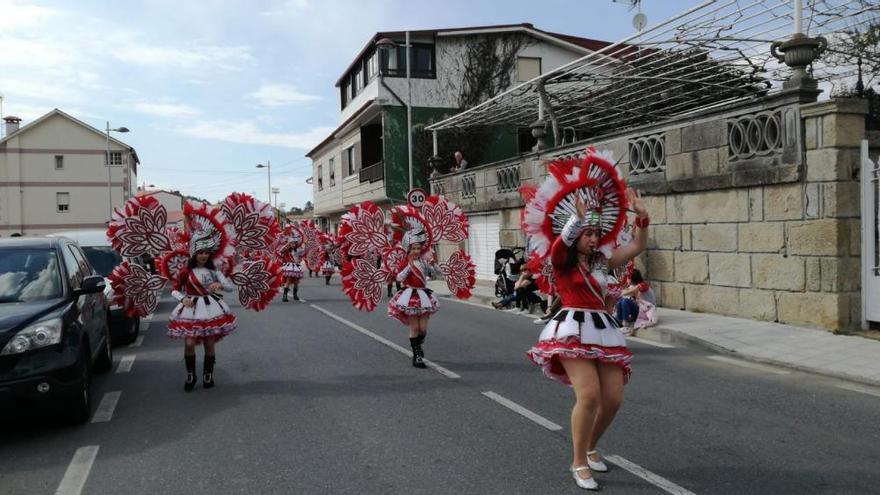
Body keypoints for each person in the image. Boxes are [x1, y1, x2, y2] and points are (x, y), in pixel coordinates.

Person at [527, 186, 649, 491]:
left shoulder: (600, 262)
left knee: (613, 399)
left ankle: (591, 446)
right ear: (575, 233)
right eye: (587, 233)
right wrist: (576, 219)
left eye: (596, 233)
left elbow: (636, 246)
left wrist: (643, 218)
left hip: (603, 329)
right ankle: (578, 461)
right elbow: (560, 244)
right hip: (572, 329)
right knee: (590, 395)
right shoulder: (561, 260)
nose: (593, 238)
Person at [168, 238, 237, 392]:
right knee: (190, 343)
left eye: (206, 252)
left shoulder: (214, 271)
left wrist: (219, 285)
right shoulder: (186, 272)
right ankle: (191, 375)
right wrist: (182, 298)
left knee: (209, 343)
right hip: (190, 309)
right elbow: (174, 289)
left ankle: (208, 374)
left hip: (210, 308)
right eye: (200, 253)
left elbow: (229, 288)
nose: (203, 256)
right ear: (194, 254)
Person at [388, 230, 440, 368]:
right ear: (409, 249)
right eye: (413, 248)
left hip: (423, 296)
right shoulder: (405, 262)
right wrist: (408, 267)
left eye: (418, 248)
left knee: (423, 329)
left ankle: (419, 343)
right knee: (414, 327)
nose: (416, 251)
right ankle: (417, 356)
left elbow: (438, 273)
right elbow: (399, 278)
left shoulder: (424, 261)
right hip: (410, 296)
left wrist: (434, 264)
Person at [621, 268, 657, 333]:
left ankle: (625, 325)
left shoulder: (643, 285)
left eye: (628, 277)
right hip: (641, 310)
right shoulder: (633, 286)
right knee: (620, 302)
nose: (626, 279)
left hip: (647, 311)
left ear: (631, 279)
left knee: (625, 301)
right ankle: (619, 322)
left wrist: (620, 293)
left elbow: (630, 291)